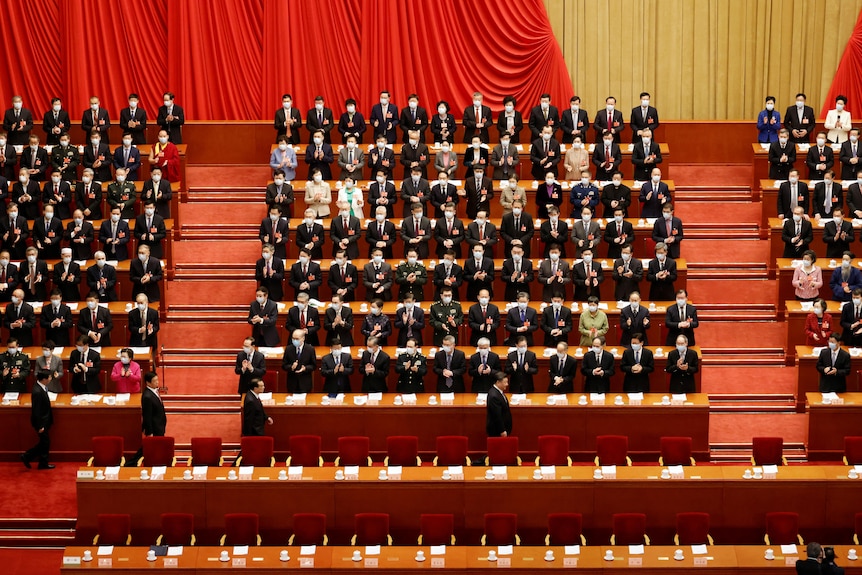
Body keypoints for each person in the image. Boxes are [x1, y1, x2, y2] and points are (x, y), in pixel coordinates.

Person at [20, 371, 53, 470]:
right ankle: (27, 456)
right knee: (45, 442)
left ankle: (40, 461)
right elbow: (36, 411)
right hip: (41, 422)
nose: (51, 379)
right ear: (44, 379)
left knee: (44, 442)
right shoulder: (38, 392)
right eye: (49, 377)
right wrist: (40, 426)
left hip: (44, 421)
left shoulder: (40, 387)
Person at [486, 372, 512, 437]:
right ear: (498, 382)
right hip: (497, 431)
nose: (507, 384)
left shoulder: (498, 392)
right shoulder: (494, 396)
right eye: (505, 382)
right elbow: (497, 416)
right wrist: (502, 430)